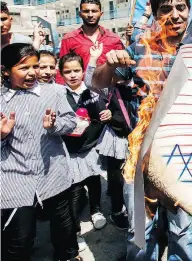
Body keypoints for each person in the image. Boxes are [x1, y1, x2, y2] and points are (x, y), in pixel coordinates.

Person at [92, 0, 192, 261]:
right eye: (166, 9)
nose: (175, 15)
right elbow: (99, 83)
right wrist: (109, 62)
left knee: (182, 229)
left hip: (184, 155)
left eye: (181, 7)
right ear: (154, 13)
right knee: (140, 229)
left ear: (189, 11)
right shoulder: (140, 49)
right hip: (141, 154)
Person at [1, 43, 80, 261]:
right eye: (23, 68)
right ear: (5, 70)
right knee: (19, 239)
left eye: (35, 66)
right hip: (14, 180)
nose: (32, 73)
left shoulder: (54, 92)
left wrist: (54, 127)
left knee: (64, 228)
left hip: (52, 174)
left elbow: (71, 122)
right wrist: (1, 136)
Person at [59, 52, 110, 251]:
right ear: (60, 74)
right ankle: (75, 226)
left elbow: (104, 109)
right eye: (67, 72)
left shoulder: (92, 90)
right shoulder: (59, 94)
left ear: (82, 71)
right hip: (70, 151)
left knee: (94, 180)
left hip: (91, 147)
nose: (72, 75)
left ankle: (96, 210)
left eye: (76, 70)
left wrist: (106, 114)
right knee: (75, 188)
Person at [85, 42, 132, 230]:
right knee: (115, 177)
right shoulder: (107, 90)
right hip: (115, 139)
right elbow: (89, 81)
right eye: (115, 75)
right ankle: (116, 211)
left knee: (132, 178)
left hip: (135, 138)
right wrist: (94, 59)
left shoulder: (137, 88)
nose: (118, 80)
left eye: (122, 75)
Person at [56, 0, 124, 83]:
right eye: (86, 11)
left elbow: (122, 66)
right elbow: (62, 68)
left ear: (101, 13)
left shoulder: (113, 39)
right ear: (80, 14)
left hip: (108, 88)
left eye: (94, 11)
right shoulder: (69, 39)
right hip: (81, 90)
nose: (90, 15)